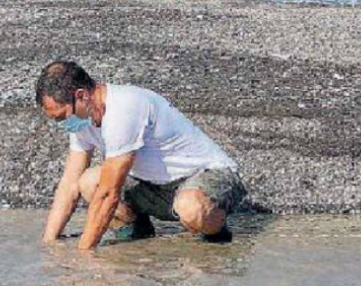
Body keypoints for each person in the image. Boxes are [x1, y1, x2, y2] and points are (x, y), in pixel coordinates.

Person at [35, 60, 248, 250]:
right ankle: (137, 235)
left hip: (206, 176)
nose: (62, 124)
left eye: (62, 117)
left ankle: (216, 233)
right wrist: (49, 243)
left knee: (190, 208)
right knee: (88, 182)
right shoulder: (82, 120)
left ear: (81, 96)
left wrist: (83, 255)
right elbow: (69, 185)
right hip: (153, 186)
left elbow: (109, 194)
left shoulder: (123, 109)